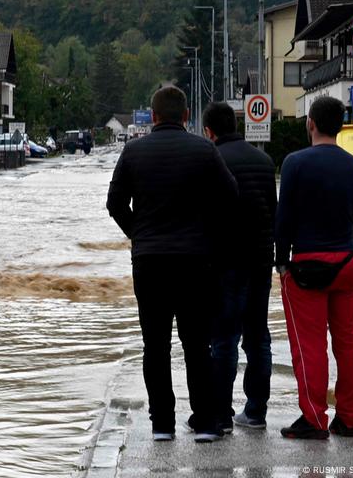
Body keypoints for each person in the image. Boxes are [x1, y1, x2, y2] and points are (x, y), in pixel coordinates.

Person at [106, 86, 237, 443]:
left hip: (149, 263)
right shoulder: (205, 150)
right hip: (196, 262)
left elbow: (114, 203)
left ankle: (162, 422)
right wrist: (205, 233)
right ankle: (207, 422)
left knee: (155, 345)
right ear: (185, 116)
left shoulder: (133, 151)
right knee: (197, 343)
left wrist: (139, 233)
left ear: (152, 116)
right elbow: (231, 196)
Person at [274, 96, 353, 440]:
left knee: (309, 345)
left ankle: (314, 418)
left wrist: (282, 261)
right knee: (347, 341)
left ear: (310, 123)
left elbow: (284, 219)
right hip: (345, 262)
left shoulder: (295, 163)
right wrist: (348, 250)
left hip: (306, 265)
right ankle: (350, 417)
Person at [201, 102, 276, 433]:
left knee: (224, 340)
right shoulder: (264, 161)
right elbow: (272, 213)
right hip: (260, 262)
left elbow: (203, 217)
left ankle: (221, 414)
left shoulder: (211, 161)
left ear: (209, 132)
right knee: (258, 338)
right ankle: (256, 412)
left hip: (225, 264)